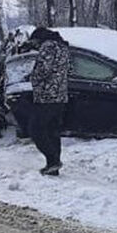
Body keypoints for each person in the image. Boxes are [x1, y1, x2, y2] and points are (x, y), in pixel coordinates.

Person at [27, 27, 70, 175]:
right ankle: (53, 168)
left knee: (35, 129)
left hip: (46, 96)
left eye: (35, 42)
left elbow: (43, 70)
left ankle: (53, 161)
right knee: (52, 131)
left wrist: (31, 77)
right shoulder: (63, 47)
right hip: (60, 96)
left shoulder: (48, 46)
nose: (35, 46)